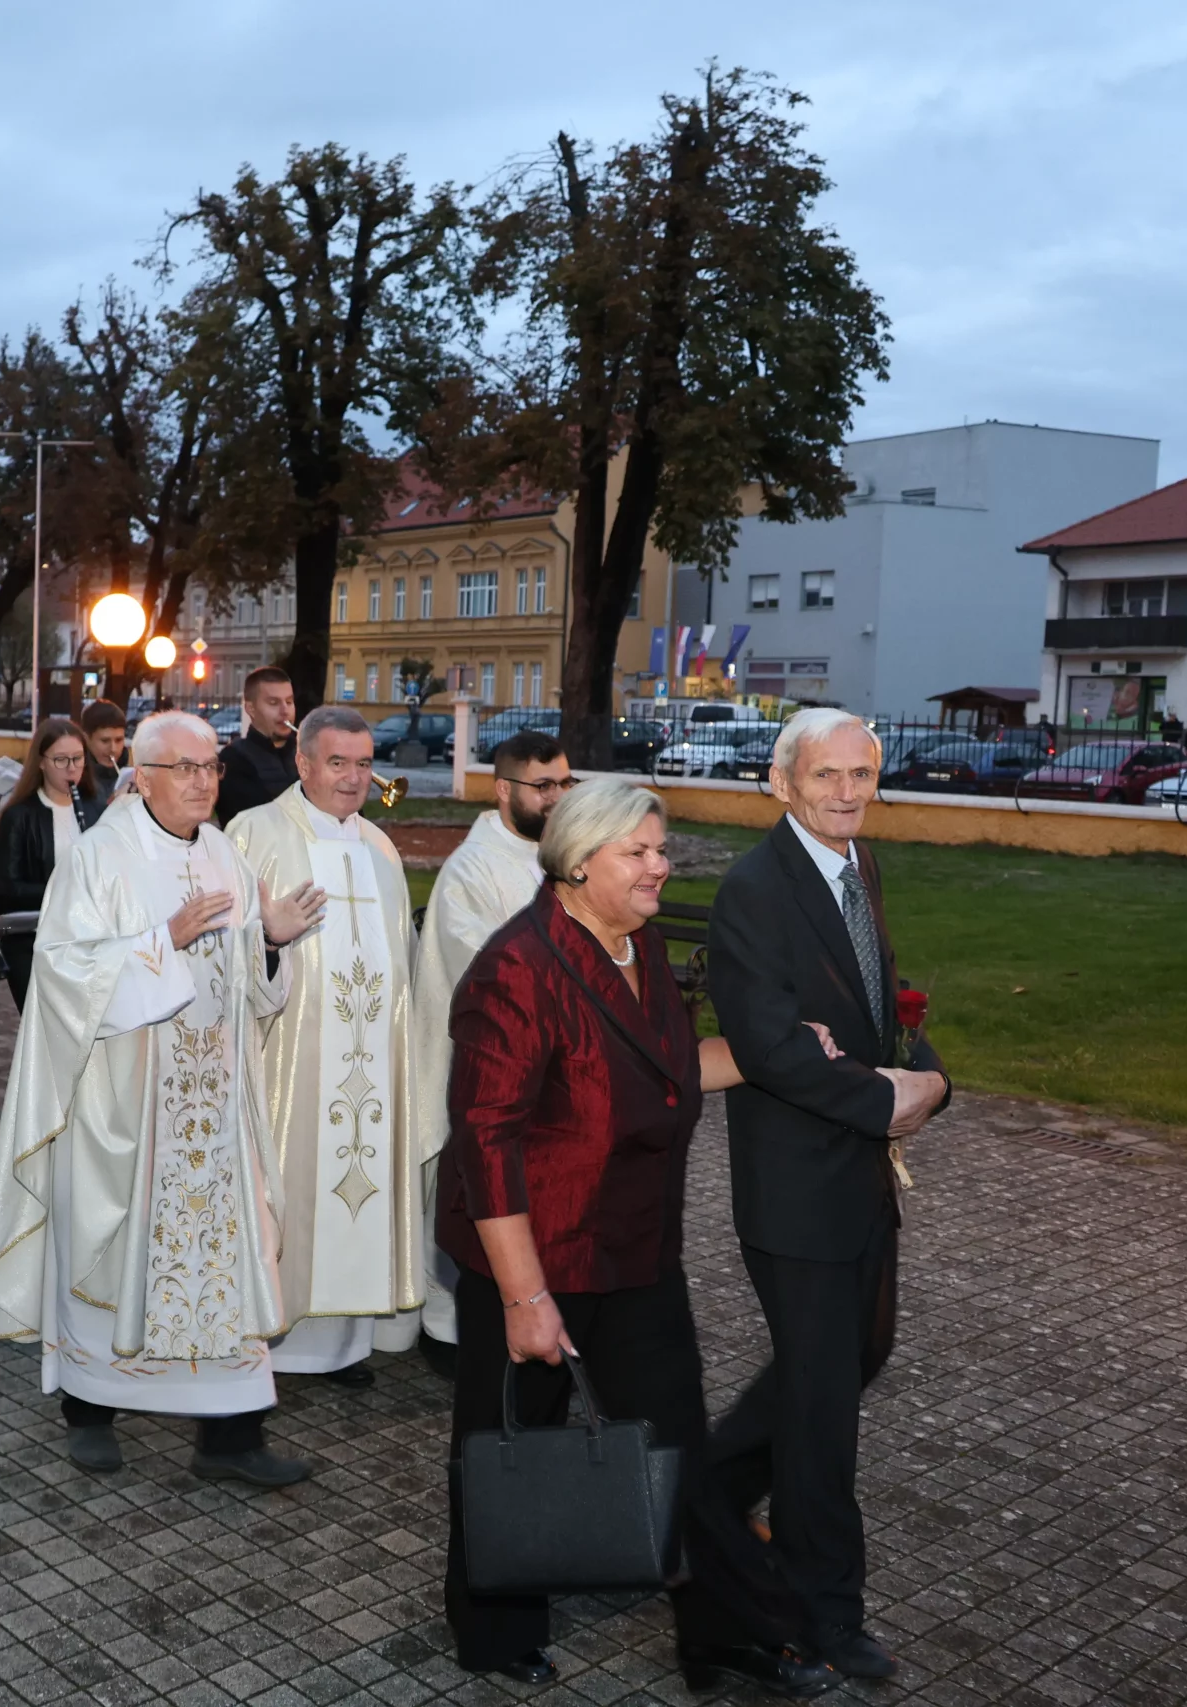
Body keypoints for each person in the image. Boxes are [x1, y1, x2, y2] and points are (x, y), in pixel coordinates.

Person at [440, 776, 845, 1694]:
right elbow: (486, 1142)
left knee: (676, 1449)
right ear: (580, 861)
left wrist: (780, 1049)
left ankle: (722, 1635)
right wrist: (524, 1297)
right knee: (506, 1439)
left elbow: (671, 1065)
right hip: (531, 1253)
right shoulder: (517, 969)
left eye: (664, 849)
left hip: (633, 1247)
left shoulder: (640, 945)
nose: (663, 866)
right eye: (641, 852)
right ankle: (494, 1629)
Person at [0, 710, 325, 1483]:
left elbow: (252, 995)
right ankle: (91, 1405)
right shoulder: (102, 857)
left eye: (212, 768)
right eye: (187, 768)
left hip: (214, 1104)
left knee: (226, 1257)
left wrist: (269, 940)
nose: (204, 782)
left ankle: (232, 1438)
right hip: (126, 1100)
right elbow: (63, 972)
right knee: (112, 1244)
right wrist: (159, 940)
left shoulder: (229, 857)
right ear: (144, 773)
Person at [698, 706, 953, 1683]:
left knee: (854, 1360)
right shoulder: (754, 892)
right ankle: (820, 1615)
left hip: (859, 1180)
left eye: (861, 774)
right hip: (797, 1195)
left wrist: (927, 1075)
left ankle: (701, 1502)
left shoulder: (860, 867)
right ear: (781, 785)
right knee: (820, 1420)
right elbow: (767, 1050)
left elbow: (881, 1011)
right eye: (826, 777)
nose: (848, 792)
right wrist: (888, 1102)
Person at [228, 705, 421, 1386]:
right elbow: (226, 954)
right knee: (293, 1194)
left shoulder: (380, 847)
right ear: (303, 762)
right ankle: (273, 1338)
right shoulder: (254, 833)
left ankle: (343, 1347)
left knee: (356, 1195)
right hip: (290, 1061)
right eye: (337, 762)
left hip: (370, 1063)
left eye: (364, 763)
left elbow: (407, 961)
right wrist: (267, 943)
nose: (352, 777)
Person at [404, 730, 572, 1376]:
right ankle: (450, 1334)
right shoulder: (470, 873)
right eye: (543, 785)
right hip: (480, 1073)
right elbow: (487, 972)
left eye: (564, 783)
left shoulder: (559, 855)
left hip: (552, 1075)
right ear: (503, 790)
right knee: (471, 1202)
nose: (557, 798)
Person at [0, 718, 102, 1010]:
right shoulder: (19, 815)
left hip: (86, 939)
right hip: (33, 943)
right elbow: (4, 890)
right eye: (61, 760)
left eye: (78, 759)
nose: (71, 768)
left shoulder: (96, 809)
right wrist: (65, 889)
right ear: (40, 762)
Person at [215, 665, 300, 828]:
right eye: (274, 703)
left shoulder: (307, 753)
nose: (285, 711)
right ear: (251, 709)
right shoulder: (234, 759)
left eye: (289, 702)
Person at [77, 699, 128, 801]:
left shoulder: (129, 779)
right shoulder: (77, 779)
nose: (113, 749)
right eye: (105, 741)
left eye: (119, 740)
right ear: (86, 739)